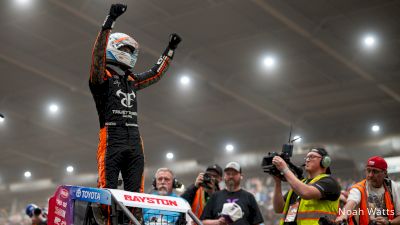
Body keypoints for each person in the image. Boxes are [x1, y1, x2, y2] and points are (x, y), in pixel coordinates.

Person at [89, 3, 181, 194]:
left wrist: (170, 50)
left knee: (136, 195)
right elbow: (98, 54)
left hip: (134, 140)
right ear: (113, 47)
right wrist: (109, 21)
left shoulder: (131, 80)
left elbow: (155, 74)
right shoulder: (100, 77)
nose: (129, 53)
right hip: (111, 138)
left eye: (132, 51)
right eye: (126, 49)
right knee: (108, 192)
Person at [272, 148, 341, 225]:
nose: (307, 160)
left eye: (312, 157)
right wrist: (277, 183)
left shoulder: (329, 182)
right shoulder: (300, 184)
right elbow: (278, 209)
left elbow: (306, 193)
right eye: (307, 157)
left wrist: (285, 169)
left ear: (325, 161)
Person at [335, 156, 400, 225]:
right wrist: (343, 216)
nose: (370, 175)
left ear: (385, 173)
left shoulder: (393, 187)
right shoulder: (358, 188)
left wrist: (389, 222)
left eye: (375, 171)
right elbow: (351, 202)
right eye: (368, 170)